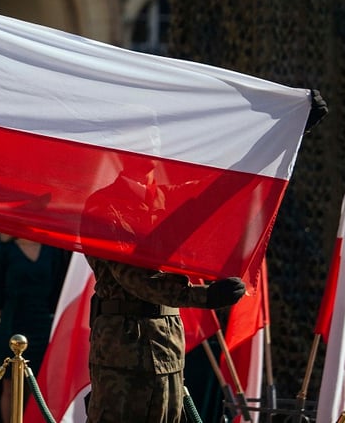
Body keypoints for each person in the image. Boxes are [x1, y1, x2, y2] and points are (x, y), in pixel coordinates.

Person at [82, 153, 246, 423]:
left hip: (166, 343)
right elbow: (135, 279)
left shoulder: (165, 199)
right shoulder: (103, 206)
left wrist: (284, 136)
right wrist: (204, 296)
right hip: (122, 349)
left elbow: (219, 189)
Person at [0, 235, 69, 422]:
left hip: (42, 324)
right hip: (11, 323)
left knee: (38, 385)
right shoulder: (3, 250)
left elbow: (57, 289)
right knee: (9, 385)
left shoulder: (53, 249)